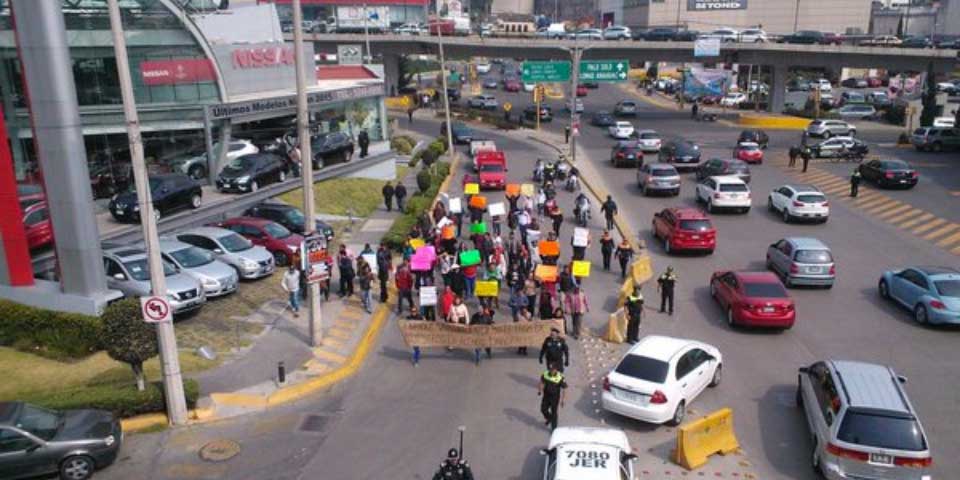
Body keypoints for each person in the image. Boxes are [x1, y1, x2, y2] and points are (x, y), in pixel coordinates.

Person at [538, 362, 567, 431]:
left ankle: (554, 429)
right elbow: (541, 382)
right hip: (546, 396)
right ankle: (549, 418)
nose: (551, 371)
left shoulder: (560, 377)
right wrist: (540, 390)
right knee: (543, 409)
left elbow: (564, 389)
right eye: (550, 369)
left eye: (552, 369)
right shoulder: (545, 374)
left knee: (554, 412)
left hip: (555, 398)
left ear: (556, 369)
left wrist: (563, 400)